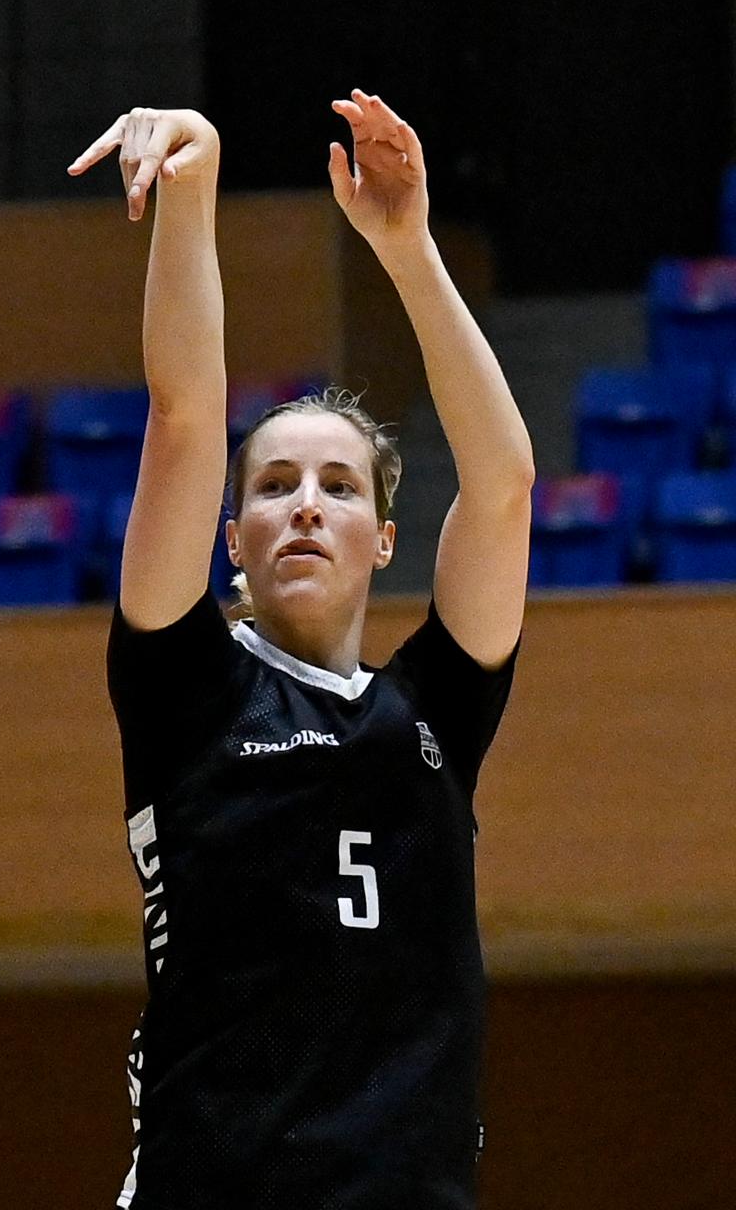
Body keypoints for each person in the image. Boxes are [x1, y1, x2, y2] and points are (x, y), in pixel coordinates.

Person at [66, 92, 534, 1208]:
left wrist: (407, 247)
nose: (307, 507)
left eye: (339, 486)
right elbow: (185, 414)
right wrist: (194, 188)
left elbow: (505, 481)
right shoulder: (185, 686)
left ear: (383, 537)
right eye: (274, 486)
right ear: (232, 541)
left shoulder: (435, 713)